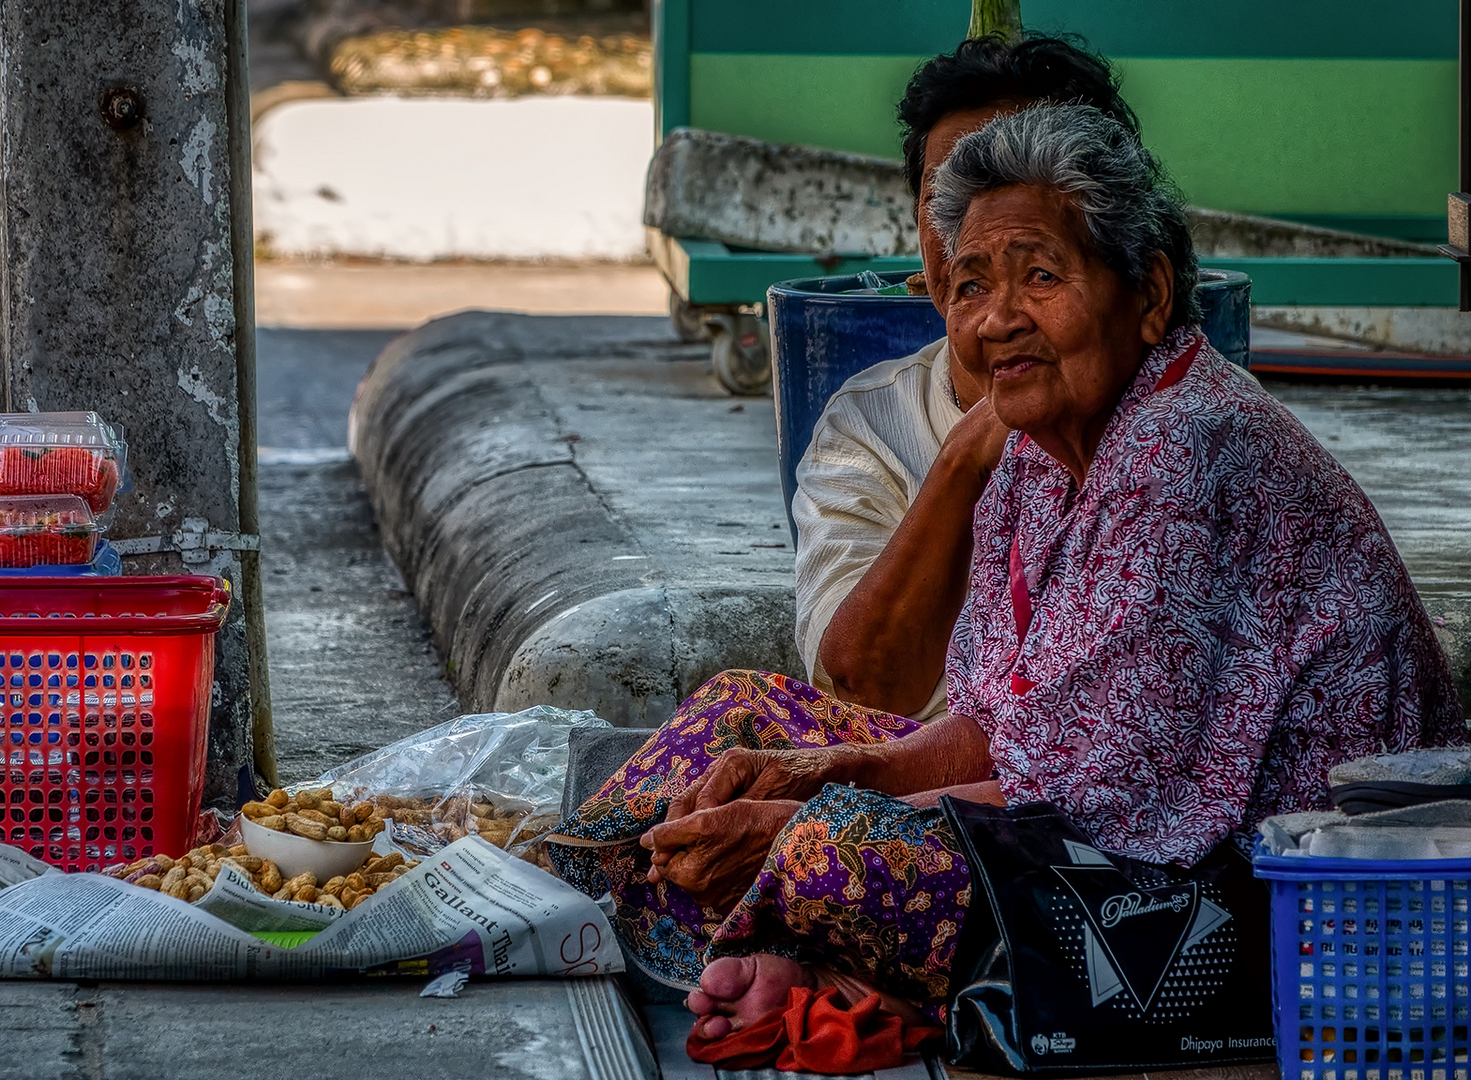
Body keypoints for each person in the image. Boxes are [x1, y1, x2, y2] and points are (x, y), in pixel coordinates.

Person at [548, 103, 1464, 1046]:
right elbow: (1002, 725)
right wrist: (812, 769)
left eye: (1040, 276)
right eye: (971, 283)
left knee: (828, 845)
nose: (998, 319)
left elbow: (1093, 800)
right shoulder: (1040, 444)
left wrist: (803, 815)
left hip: (1277, 896)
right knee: (739, 720)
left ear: (1148, 294)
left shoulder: (1184, 450)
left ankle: (745, 941)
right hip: (1108, 822)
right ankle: (621, 912)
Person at [794, 35, 1143, 721]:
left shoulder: (1172, 433)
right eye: (946, 198)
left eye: (1039, 266)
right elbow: (859, 688)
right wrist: (968, 454)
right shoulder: (867, 425)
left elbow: (1081, 740)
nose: (974, 230)